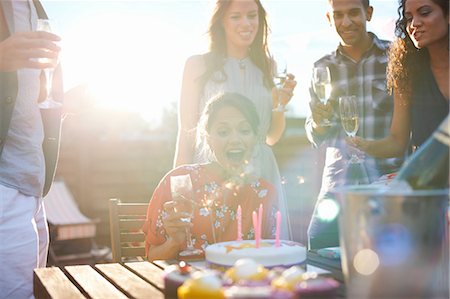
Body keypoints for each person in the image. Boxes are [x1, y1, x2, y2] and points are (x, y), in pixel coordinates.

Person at [173, 0, 296, 240]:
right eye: (236, 17)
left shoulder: (268, 66)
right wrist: (179, 187)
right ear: (221, 21)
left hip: (261, 171)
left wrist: (280, 104)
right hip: (212, 169)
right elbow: (186, 131)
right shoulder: (197, 65)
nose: (246, 24)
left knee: (262, 254)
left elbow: (270, 137)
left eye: (252, 16)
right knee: (212, 249)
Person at [304, 0, 403, 249]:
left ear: (368, 13)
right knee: (318, 251)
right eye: (338, 15)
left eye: (353, 13)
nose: (346, 22)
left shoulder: (397, 58)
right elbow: (315, 134)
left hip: (387, 182)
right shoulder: (322, 68)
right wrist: (318, 120)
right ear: (329, 18)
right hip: (338, 185)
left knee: (386, 264)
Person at [144, 93, 278, 261]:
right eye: (223, 132)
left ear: (255, 137)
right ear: (208, 139)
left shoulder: (265, 193)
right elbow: (151, 258)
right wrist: (173, 242)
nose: (235, 139)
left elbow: (272, 259)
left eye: (244, 130)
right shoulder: (179, 180)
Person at [0, 1, 63, 298]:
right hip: (4, 182)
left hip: (33, 185)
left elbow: (26, 97)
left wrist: (63, 107)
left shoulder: (34, 7)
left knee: (38, 292)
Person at [347, 0, 449, 157]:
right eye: (408, 18)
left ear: (448, 15)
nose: (414, 23)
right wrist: (364, 146)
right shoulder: (407, 72)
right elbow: (397, 143)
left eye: (425, 13)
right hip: (427, 177)